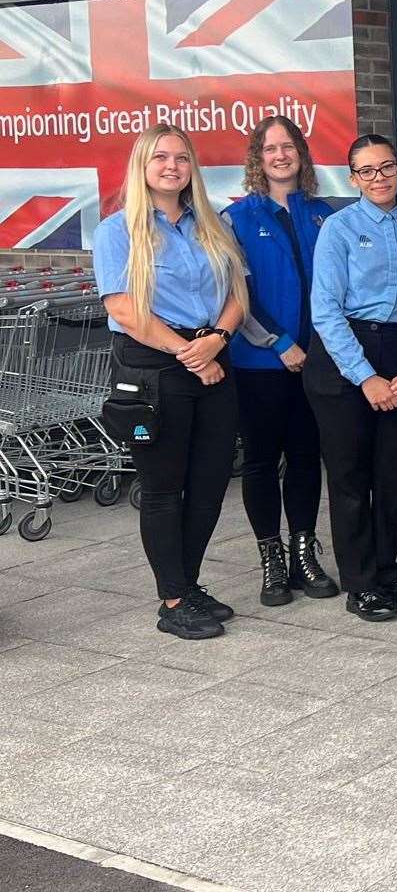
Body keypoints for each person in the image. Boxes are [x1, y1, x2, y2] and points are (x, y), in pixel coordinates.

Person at [94, 124, 248, 640]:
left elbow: (237, 294)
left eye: (182, 158)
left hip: (212, 355)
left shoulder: (213, 224)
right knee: (163, 488)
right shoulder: (118, 231)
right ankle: (174, 597)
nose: (172, 166)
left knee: (208, 486)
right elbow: (124, 309)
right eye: (160, 157)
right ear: (142, 165)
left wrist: (217, 341)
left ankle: (190, 580)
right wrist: (190, 354)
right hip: (155, 366)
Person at [305, 135, 397, 622]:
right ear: (353, 178)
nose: (379, 177)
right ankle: (360, 582)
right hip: (344, 360)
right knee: (350, 478)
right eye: (366, 171)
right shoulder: (338, 229)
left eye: (386, 167)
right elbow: (325, 311)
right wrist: (366, 377)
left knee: (394, 474)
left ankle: (386, 569)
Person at [222, 115, 339, 607]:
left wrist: (316, 345)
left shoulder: (322, 214)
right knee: (263, 462)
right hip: (259, 363)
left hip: (317, 360)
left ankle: (304, 552)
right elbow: (236, 293)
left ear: (301, 153)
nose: (280, 155)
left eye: (288, 146)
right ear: (258, 158)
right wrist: (279, 343)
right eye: (270, 148)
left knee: (308, 459)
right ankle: (271, 559)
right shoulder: (237, 218)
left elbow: (334, 287)